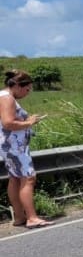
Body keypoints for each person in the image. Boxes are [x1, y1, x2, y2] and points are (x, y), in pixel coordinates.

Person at [0, 70, 54, 228]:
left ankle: (19, 217)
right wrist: (29, 122)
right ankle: (31, 217)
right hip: (14, 145)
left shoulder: (3, 96)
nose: (27, 93)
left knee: (15, 179)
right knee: (28, 177)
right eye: (27, 89)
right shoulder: (7, 98)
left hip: (9, 145)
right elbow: (8, 123)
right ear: (17, 85)